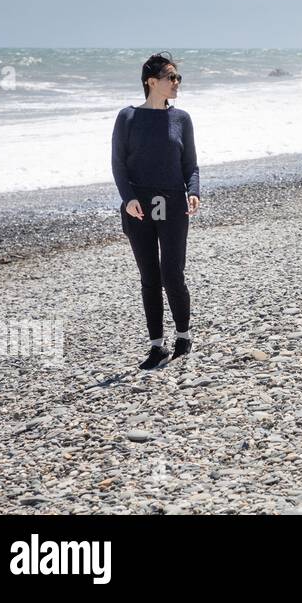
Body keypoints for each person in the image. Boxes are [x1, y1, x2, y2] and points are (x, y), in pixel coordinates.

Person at [111, 52, 201, 369]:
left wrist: (194, 192)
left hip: (173, 202)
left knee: (172, 273)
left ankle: (183, 336)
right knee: (149, 276)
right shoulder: (127, 117)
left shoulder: (182, 119)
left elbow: (190, 164)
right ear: (152, 82)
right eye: (171, 78)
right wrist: (128, 198)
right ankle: (156, 346)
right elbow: (118, 164)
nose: (176, 83)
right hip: (139, 206)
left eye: (178, 78)